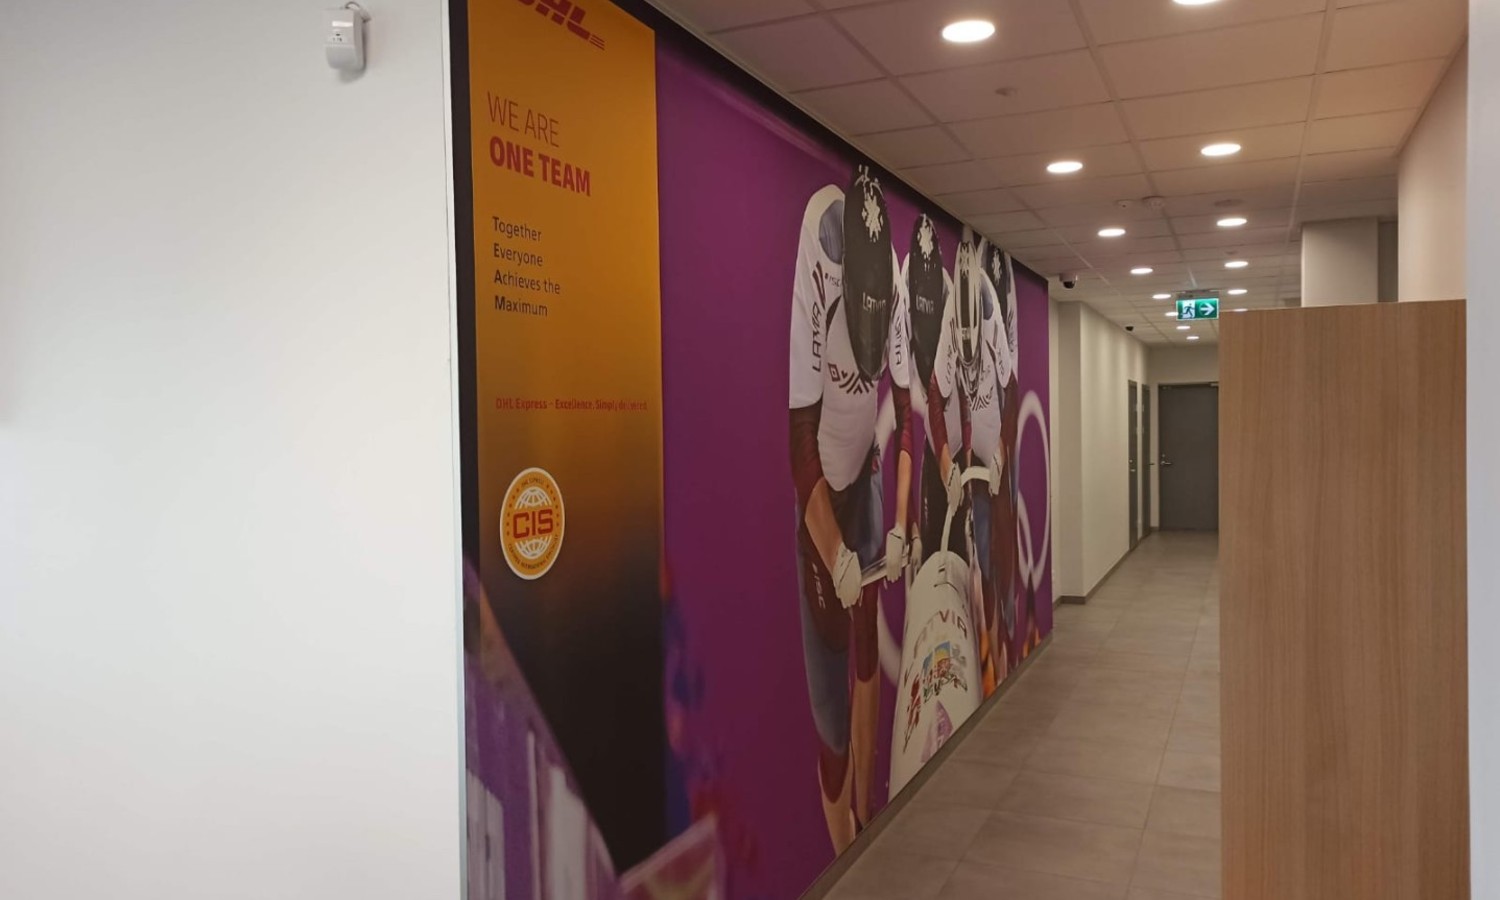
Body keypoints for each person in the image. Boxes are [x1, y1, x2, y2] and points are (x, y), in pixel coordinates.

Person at [788, 165, 912, 851]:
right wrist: (834, 552)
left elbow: (908, 423)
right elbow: (800, 449)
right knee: (831, 722)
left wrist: (900, 524)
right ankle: (844, 861)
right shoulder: (816, 265)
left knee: (868, 654)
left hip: (863, 482)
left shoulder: (888, 279)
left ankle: (867, 822)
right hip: (821, 504)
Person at [957, 231, 1013, 691]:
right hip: (971, 462)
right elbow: (940, 399)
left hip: (994, 459)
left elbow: (1010, 393)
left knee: (999, 559)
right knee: (979, 559)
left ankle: (1002, 652)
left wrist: (1002, 452)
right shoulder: (949, 336)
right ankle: (986, 663)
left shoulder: (992, 325)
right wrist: (949, 463)